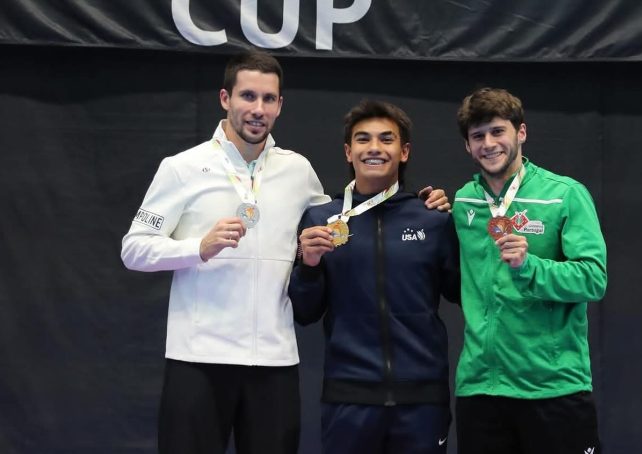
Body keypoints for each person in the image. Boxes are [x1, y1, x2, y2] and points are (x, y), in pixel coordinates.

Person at [120, 51, 448, 454]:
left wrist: (422, 204)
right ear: (225, 98)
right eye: (248, 96)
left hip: (273, 362)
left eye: (268, 99)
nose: (258, 109)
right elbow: (134, 249)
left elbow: (348, 219)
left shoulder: (297, 171)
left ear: (280, 105)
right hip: (198, 357)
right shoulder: (182, 168)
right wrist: (197, 248)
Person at [288, 100, 461, 454]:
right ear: (349, 151)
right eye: (363, 140)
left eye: (387, 139)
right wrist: (309, 263)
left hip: (422, 398)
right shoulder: (320, 220)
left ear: (404, 151)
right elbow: (305, 312)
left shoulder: (433, 219)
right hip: (348, 396)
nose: (375, 148)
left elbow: (461, 292)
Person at [450, 87, 608, 454]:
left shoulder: (564, 195)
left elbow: (594, 278)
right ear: (467, 146)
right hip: (481, 389)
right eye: (477, 136)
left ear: (521, 132)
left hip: (553, 388)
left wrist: (530, 265)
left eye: (497, 131)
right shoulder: (462, 201)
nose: (488, 143)